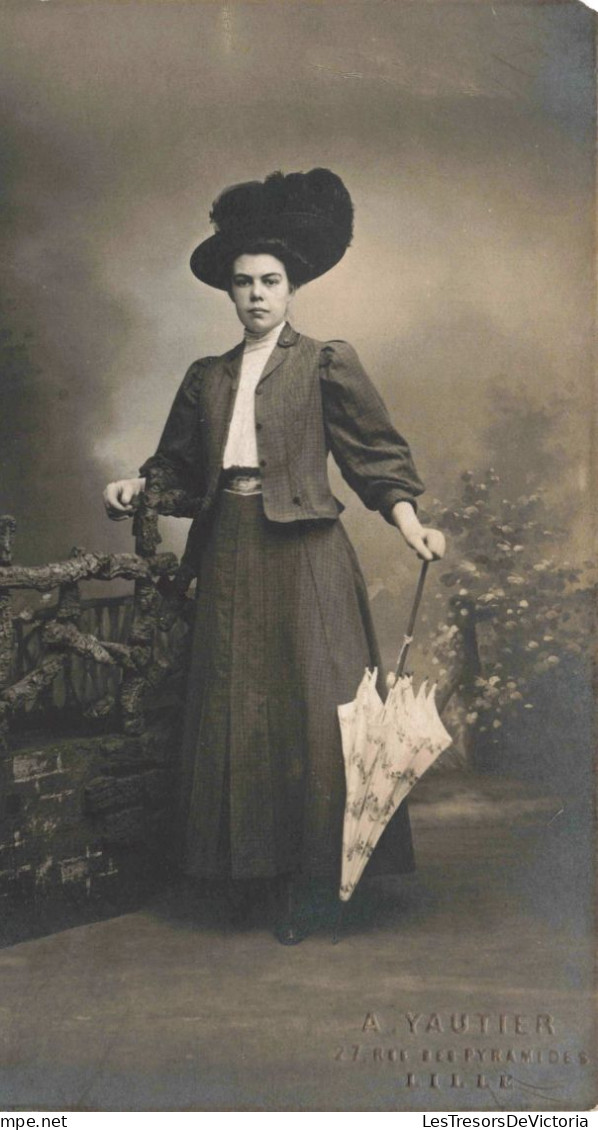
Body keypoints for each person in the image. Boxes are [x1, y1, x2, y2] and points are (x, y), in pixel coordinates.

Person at [104, 168, 445, 944]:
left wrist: (410, 521)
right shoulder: (207, 377)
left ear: (292, 289)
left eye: (270, 281)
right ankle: (245, 877)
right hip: (228, 553)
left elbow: (374, 457)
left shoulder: (327, 361)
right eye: (243, 283)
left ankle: (307, 884)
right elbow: (180, 472)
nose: (257, 294)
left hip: (308, 555)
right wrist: (136, 485)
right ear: (228, 294)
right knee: (234, 717)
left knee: (314, 716)